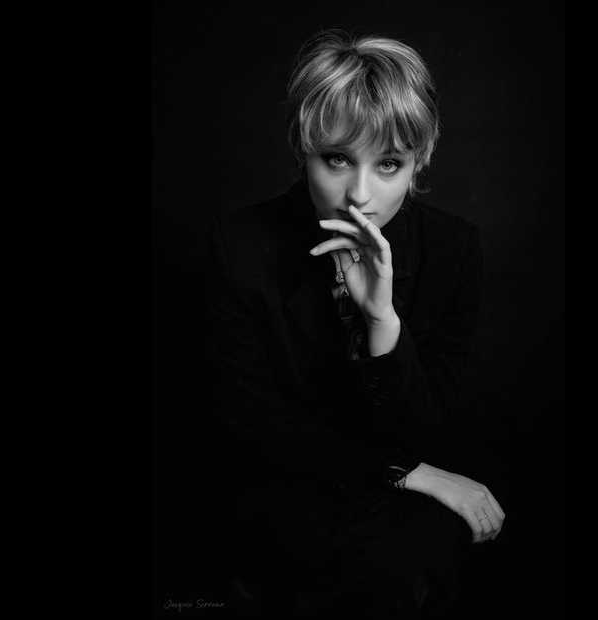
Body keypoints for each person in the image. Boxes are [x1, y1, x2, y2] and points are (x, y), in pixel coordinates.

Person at [203, 28, 505, 617]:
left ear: (418, 164)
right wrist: (406, 473)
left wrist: (382, 321)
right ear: (303, 150)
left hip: (398, 507)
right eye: (337, 159)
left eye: (389, 164)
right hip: (285, 489)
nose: (359, 195)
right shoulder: (239, 247)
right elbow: (250, 426)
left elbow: (432, 427)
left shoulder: (453, 250)